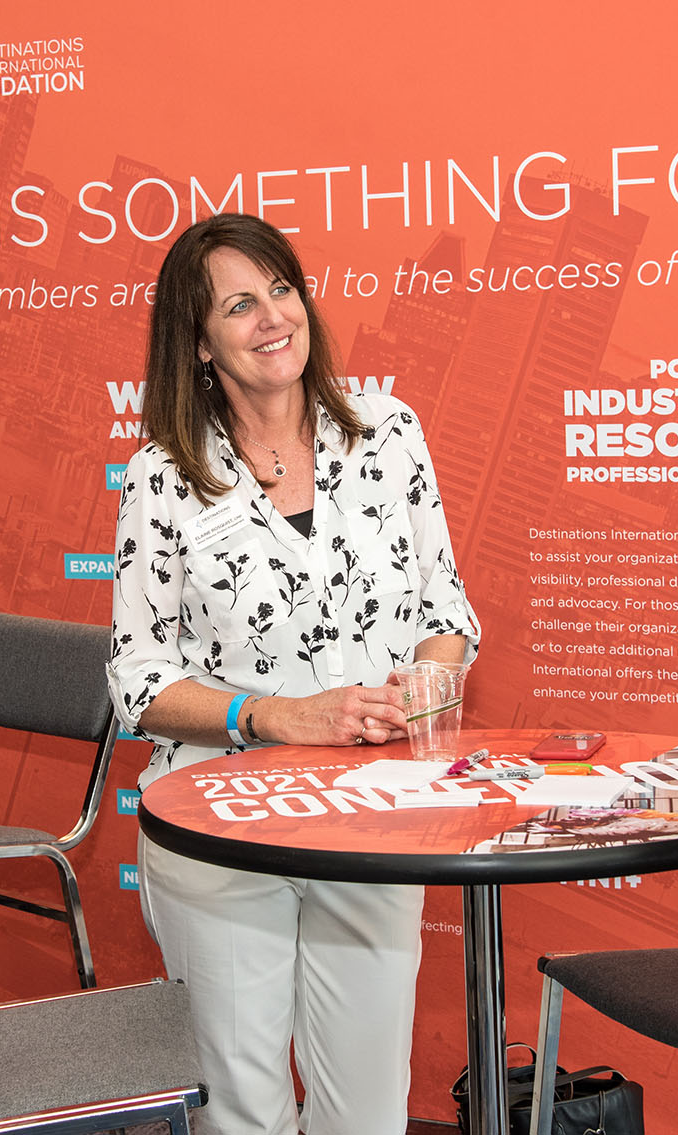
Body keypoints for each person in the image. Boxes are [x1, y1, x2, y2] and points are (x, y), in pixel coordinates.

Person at [109, 212, 480, 1135]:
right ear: (198, 340)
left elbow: (447, 613)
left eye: (282, 289)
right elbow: (138, 679)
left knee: (370, 1112)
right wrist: (277, 715)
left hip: (372, 826)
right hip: (220, 829)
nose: (273, 316)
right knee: (242, 1112)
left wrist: (426, 689)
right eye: (240, 304)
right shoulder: (164, 475)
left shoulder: (390, 432)